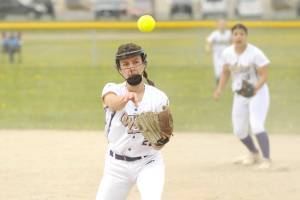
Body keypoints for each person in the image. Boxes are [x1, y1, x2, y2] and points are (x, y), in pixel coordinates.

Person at [96, 43, 171, 200]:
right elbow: (112, 102)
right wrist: (126, 98)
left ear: (144, 63)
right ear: (120, 69)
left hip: (149, 163)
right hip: (116, 166)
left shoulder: (159, 97)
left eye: (136, 62)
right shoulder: (112, 89)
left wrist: (161, 140)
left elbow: (164, 135)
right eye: (126, 64)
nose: (131, 67)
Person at [213, 23, 271, 169]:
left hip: (258, 92)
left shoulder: (255, 53)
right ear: (231, 37)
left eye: (241, 34)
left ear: (246, 36)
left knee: (256, 125)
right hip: (240, 93)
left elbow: (264, 76)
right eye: (236, 34)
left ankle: (266, 159)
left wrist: (254, 88)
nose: (238, 36)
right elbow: (226, 72)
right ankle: (254, 153)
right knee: (239, 130)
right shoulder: (227, 53)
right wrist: (219, 89)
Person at [205, 19, 231, 85]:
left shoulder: (229, 33)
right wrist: (208, 48)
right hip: (217, 55)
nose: (222, 25)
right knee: (218, 69)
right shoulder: (215, 34)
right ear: (218, 25)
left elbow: (233, 41)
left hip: (227, 55)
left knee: (228, 68)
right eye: (220, 24)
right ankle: (218, 83)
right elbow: (209, 41)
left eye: (223, 24)